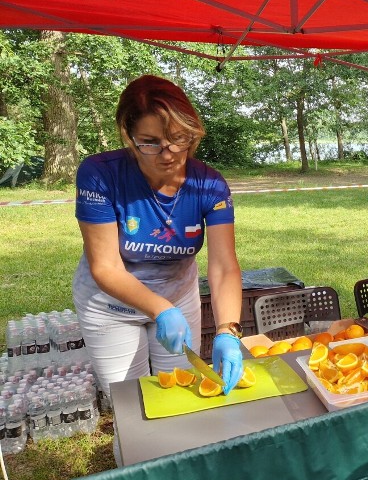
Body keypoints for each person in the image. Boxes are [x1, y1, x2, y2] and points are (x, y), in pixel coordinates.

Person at [73, 75, 245, 401]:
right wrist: (160, 309)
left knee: (181, 394)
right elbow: (106, 267)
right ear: (129, 134)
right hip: (110, 306)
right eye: (150, 142)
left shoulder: (210, 185)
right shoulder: (100, 174)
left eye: (179, 139)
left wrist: (228, 331)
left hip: (178, 296)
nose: (168, 154)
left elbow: (223, 267)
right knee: (129, 401)